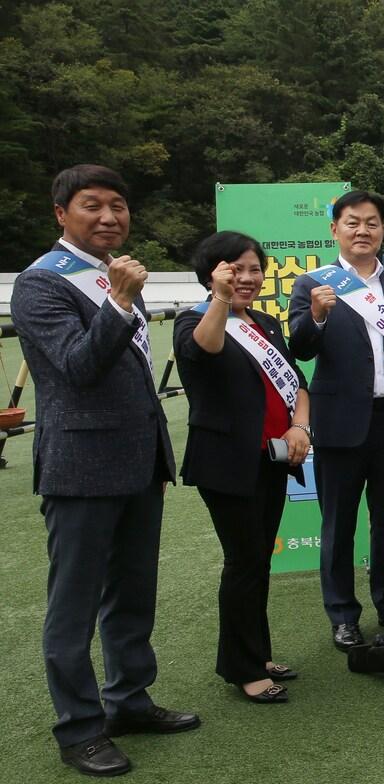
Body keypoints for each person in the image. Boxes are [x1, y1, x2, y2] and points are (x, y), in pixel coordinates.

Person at [12, 165, 196, 777]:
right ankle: (79, 728)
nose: (110, 217)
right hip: (81, 468)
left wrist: (118, 294)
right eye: (93, 206)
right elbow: (76, 366)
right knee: (74, 604)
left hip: (138, 462)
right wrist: (117, 300)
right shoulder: (42, 284)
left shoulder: (115, 276)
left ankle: (129, 700)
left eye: (118, 205)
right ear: (61, 213)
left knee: (132, 593)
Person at [288, 190, 384, 651]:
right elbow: (300, 349)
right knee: (338, 524)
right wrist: (315, 315)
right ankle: (342, 613)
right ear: (334, 229)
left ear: (382, 231)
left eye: (372, 223)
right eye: (353, 223)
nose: (363, 231)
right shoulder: (313, 284)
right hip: (340, 423)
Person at [175, 231, 312, 703]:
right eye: (236, 270)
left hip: (271, 459)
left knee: (257, 561)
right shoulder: (194, 319)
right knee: (243, 563)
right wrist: (220, 297)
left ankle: (257, 653)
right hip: (226, 465)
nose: (248, 278)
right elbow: (206, 347)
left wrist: (301, 427)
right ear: (213, 273)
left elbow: (298, 385)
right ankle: (243, 668)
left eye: (254, 269)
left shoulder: (267, 324)